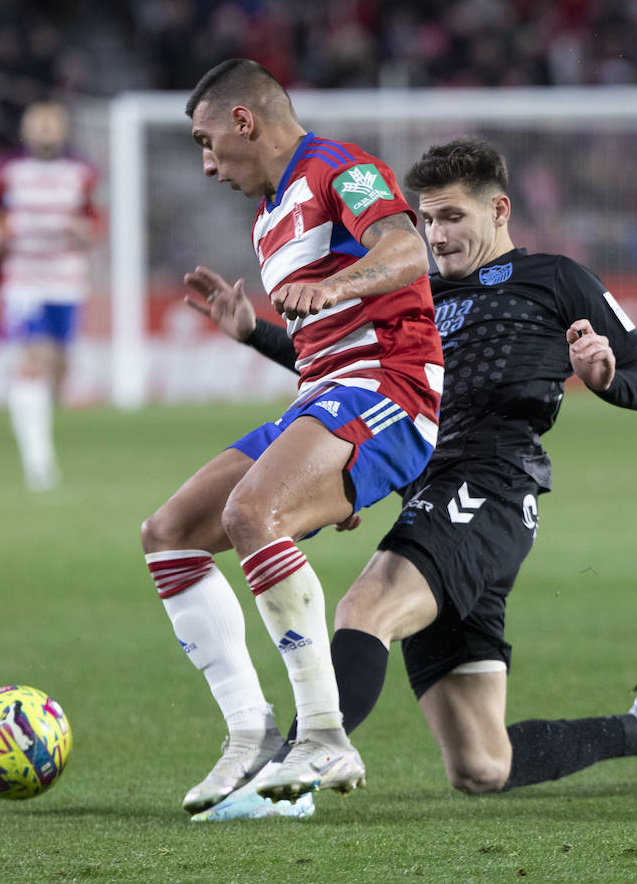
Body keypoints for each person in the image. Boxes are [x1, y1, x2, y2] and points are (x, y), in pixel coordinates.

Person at [186, 137, 637, 822]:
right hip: (428, 493)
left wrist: (604, 375)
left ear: (500, 209)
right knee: (480, 765)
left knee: (363, 609)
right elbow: (355, 374)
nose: (437, 235)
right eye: (427, 221)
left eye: (453, 218)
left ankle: (291, 774)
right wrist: (256, 331)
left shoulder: (555, 278)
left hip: (490, 490)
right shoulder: (417, 292)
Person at [139, 59, 443, 813]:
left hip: (390, 390)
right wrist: (253, 331)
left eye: (209, 142)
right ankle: (249, 734)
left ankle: (325, 734)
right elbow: (323, 341)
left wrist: (337, 284)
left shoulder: (339, 168)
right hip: (325, 397)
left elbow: (409, 250)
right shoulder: (268, 213)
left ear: (246, 121)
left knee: (251, 512)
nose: (207, 165)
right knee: (168, 532)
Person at [0, 101, 102, 492]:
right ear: (26, 131)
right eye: (37, 124)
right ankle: (38, 463)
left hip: (67, 280)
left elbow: (95, 218)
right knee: (34, 361)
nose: (45, 131)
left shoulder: (82, 172)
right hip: (24, 279)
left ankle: (39, 437)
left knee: (57, 368)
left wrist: (88, 232)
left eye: (51, 124)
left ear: (62, 130)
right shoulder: (5, 170)